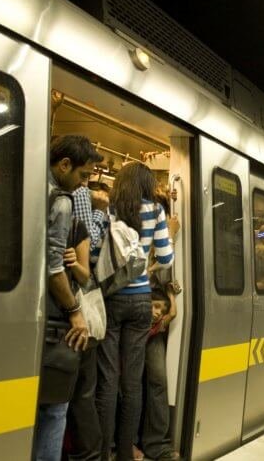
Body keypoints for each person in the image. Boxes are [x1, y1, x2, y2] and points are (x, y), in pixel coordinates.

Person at [96, 162, 174, 461]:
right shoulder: (156, 210)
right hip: (141, 300)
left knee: (108, 380)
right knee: (132, 382)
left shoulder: (110, 208)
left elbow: (97, 253)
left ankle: (104, 452)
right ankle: (127, 454)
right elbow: (166, 258)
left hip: (112, 299)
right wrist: (144, 268)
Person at [34, 135, 101, 461]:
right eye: (83, 175)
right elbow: (53, 268)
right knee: (55, 407)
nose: (83, 184)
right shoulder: (61, 202)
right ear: (64, 165)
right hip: (53, 318)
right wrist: (75, 311)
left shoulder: (31, 188)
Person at [136, 188, 182, 461]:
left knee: (156, 380)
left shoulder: (158, 234)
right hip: (135, 311)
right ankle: (125, 443)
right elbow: (142, 270)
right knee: (128, 383)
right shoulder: (137, 231)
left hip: (153, 317)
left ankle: (156, 443)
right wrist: (171, 239)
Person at [65, 182, 108, 461]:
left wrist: (71, 262)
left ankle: (89, 454)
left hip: (76, 317)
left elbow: (85, 275)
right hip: (67, 318)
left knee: (80, 394)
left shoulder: (77, 223)